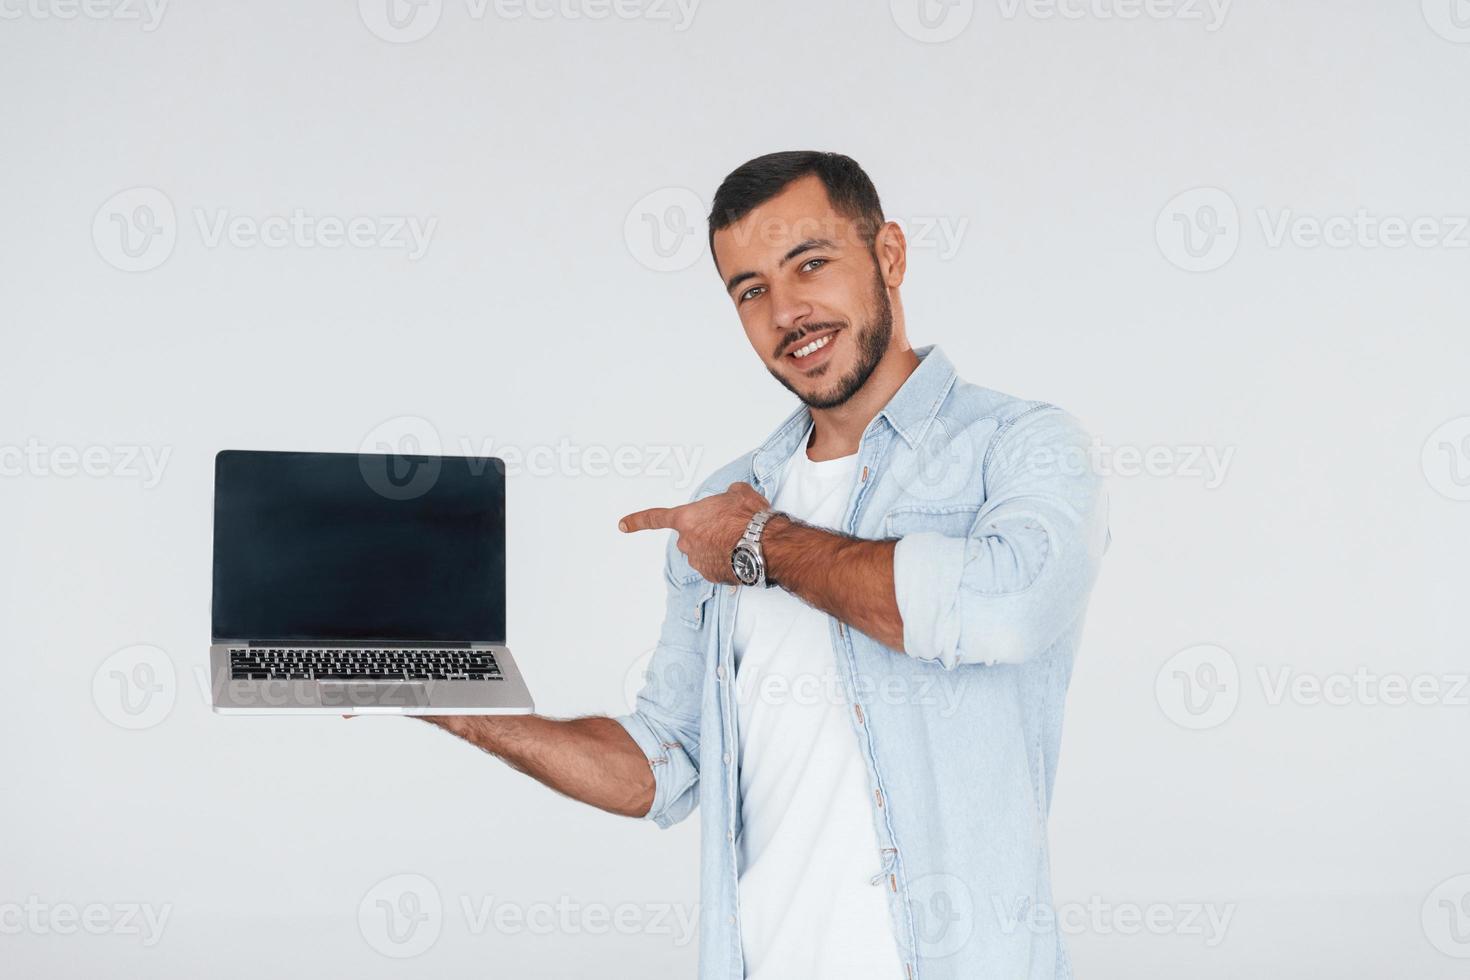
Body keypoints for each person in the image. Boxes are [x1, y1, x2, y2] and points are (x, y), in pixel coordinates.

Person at [418, 150, 1109, 979]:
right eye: (750, 291)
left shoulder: (1021, 446)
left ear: (889, 254)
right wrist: (444, 699)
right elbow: (666, 763)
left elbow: (1006, 606)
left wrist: (760, 546)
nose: (787, 311)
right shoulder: (727, 499)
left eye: (810, 264)